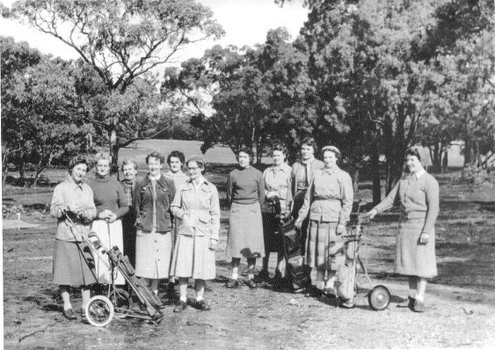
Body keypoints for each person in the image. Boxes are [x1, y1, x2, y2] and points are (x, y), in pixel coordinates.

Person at [367, 148, 439, 313]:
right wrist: (375, 210)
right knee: (409, 262)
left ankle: (420, 298)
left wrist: (426, 231)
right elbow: (391, 199)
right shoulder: (404, 180)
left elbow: (434, 209)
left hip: (421, 226)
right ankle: (411, 295)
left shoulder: (430, 181)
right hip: (406, 227)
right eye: (407, 160)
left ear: (422, 161)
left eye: (413, 160)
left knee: (421, 263)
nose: (409, 163)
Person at [295, 146, 353, 306]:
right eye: (325, 157)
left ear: (336, 158)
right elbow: (308, 198)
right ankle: (319, 285)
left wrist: (342, 222)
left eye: (331, 157)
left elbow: (347, 202)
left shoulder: (343, 176)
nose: (327, 160)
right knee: (318, 253)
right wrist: (301, 217)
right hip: (315, 217)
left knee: (332, 254)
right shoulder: (317, 174)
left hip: (333, 218)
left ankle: (330, 286)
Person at [170, 155, 220, 312]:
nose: (191, 171)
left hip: (204, 232)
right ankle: (182, 299)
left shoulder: (211, 188)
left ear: (202, 168)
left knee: (201, 267)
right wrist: (183, 215)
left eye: (194, 168)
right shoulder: (183, 187)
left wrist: (214, 237)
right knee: (183, 267)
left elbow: (216, 214)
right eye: (189, 168)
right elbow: (174, 207)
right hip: (186, 231)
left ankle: (199, 298)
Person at [50, 156, 97, 320]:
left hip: (83, 235)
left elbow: (93, 211)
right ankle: (67, 305)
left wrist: (85, 214)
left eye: (84, 170)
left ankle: (86, 306)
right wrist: (66, 208)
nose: (81, 173)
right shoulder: (61, 188)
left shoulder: (88, 189)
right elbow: (53, 211)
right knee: (65, 273)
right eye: (79, 169)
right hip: (65, 236)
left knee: (87, 273)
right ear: (71, 169)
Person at [134, 151, 176, 296]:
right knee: (145, 261)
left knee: (159, 260)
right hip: (145, 227)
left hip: (162, 227)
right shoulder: (140, 182)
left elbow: (172, 204)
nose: (153, 166)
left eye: (156, 163)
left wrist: (166, 219)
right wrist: (141, 219)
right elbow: (137, 204)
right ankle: (145, 295)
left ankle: (155, 291)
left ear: (161, 165)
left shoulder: (169, 182)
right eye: (150, 163)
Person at [225, 148, 265, 288]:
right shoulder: (233, 174)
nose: (242, 159)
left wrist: (253, 207)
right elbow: (229, 195)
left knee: (251, 245)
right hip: (237, 209)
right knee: (236, 243)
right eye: (240, 157)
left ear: (250, 158)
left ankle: (250, 276)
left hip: (253, 211)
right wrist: (238, 206)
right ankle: (234, 277)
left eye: (245, 157)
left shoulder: (257, 174)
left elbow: (262, 195)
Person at [87, 152, 129, 286]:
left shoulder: (116, 184)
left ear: (109, 167)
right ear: (96, 167)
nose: (102, 168)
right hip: (98, 225)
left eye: (105, 165)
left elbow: (125, 206)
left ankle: (115, 288)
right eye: (100, 165)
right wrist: (100, 214)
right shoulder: (90, 185)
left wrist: (115, 215)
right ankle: (99, 286)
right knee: (99, 254)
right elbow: (87, 207)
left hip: (114, 224)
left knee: (115, 255)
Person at [289, 137, 324, 293]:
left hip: (314, 206)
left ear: (313, 150)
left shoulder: (320, 165)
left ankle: (314, 279)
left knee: (312, 240)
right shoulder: (295, 166)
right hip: (298, 204)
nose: (305, 151)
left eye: (308, 149)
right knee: (298, 241)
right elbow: (290, 189)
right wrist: (289, 208)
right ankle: (298, 279)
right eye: (303, 148)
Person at [258, 144, 292, 284]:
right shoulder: (267, 171)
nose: (276, 158)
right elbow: (262, 188)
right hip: (267, 209)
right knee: (267, 239)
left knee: (280, 241)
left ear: (284, 156)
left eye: (279, 155)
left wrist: (276, 193)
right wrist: (267, 193)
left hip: (282, 209)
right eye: (274, 155)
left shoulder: (290, 171)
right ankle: (265, 269)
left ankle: (278, 269)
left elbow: (291, 190)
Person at [120, 159, 139, 268]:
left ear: (136, 171)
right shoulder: (119, 185)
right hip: (124, 217)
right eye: (125, 170)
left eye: (130, 169)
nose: (128, 172)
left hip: (136, 216)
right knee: (125, 245)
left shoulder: (141, 184)